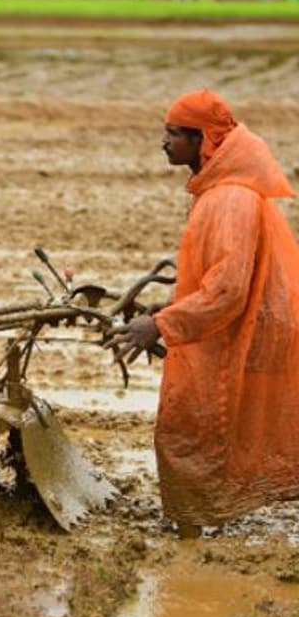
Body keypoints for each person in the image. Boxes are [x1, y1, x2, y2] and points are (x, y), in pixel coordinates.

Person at [105, 90, 299, 538]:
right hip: (232, 320)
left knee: (192, 425)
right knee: (207, 425)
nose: (164, 142)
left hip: (250, 327)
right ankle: (193, 523)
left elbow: (228, 290)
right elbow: (213, 281)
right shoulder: (213, 192)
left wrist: (160, 324)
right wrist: (168, 307)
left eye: (174, 133)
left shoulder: (231, 199)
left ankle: (191, 529)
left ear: (204, 140)